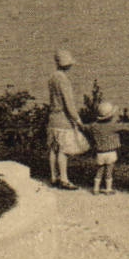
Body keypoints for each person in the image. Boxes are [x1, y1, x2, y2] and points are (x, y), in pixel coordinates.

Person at [45, 48, 87, 190]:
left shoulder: (52, 77)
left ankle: (53, 176)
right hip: (63, 118)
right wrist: (78, 119)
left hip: (52, 117)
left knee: (53, 148)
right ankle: (64, 179)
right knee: (64, 150)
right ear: (68, 65)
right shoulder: (64, 80)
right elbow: (68, 103)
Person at [86, 100, 129, 195]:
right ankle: (108, 189)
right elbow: (126, 126)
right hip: (111, 152)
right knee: (109, 171)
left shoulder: (94, 126)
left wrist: (78, 124)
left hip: (100, 153)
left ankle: (96, 189)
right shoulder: (112, 126)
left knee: (99, 170)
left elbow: (86, 127)